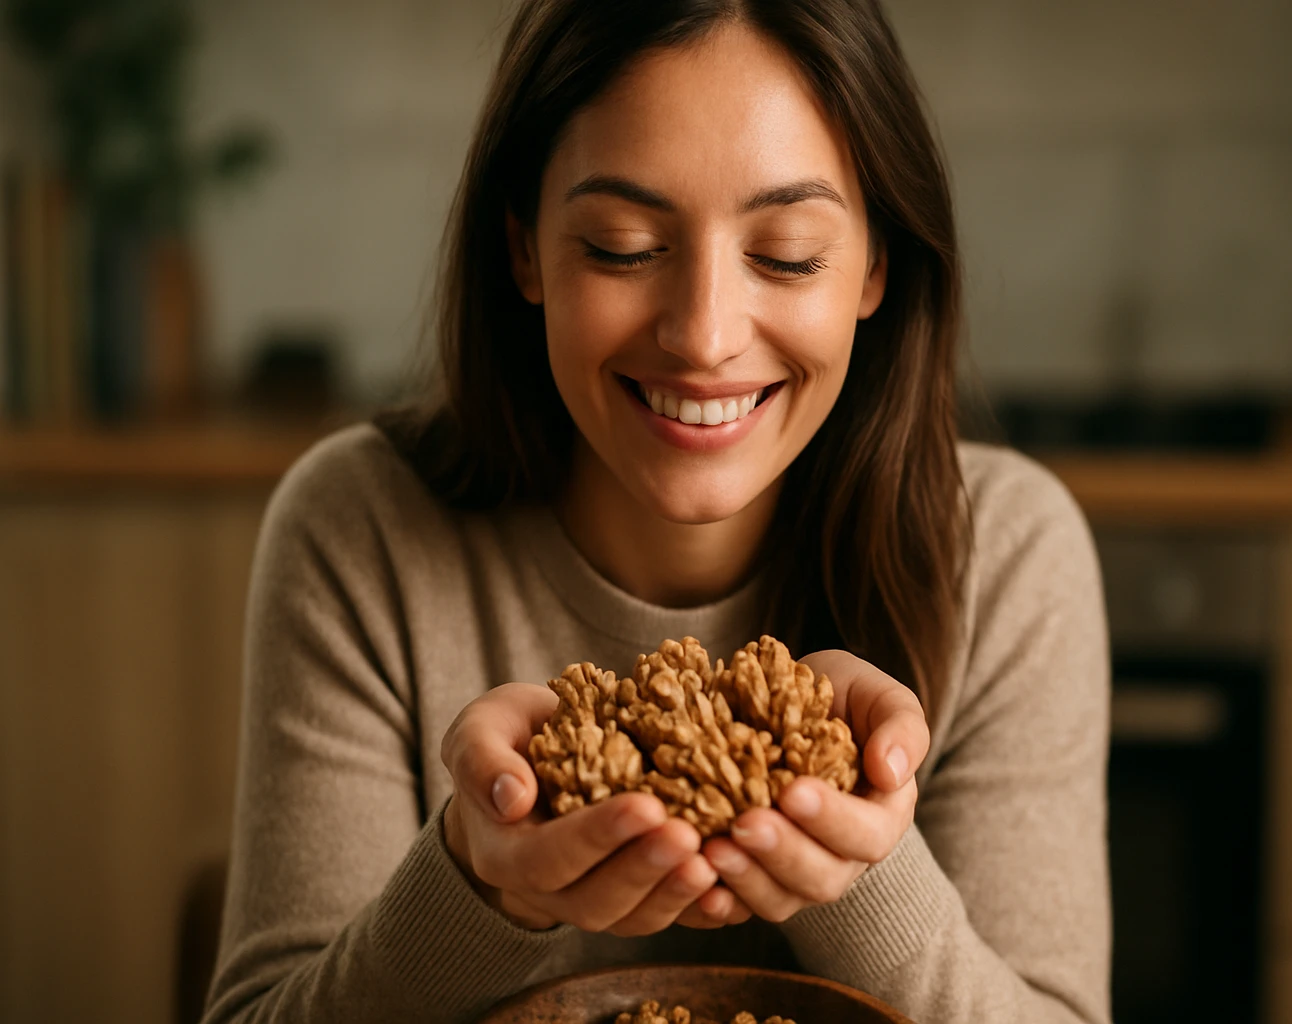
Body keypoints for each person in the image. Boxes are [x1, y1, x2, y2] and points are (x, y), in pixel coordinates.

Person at [203, 1, 1109, 1022]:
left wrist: (864, 869)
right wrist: (476, 881)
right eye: (624, 247)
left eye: (789, 253)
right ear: (523, 248)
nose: (705, 337)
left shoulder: (1006, 553)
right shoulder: (360, 530)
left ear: (876, 268)